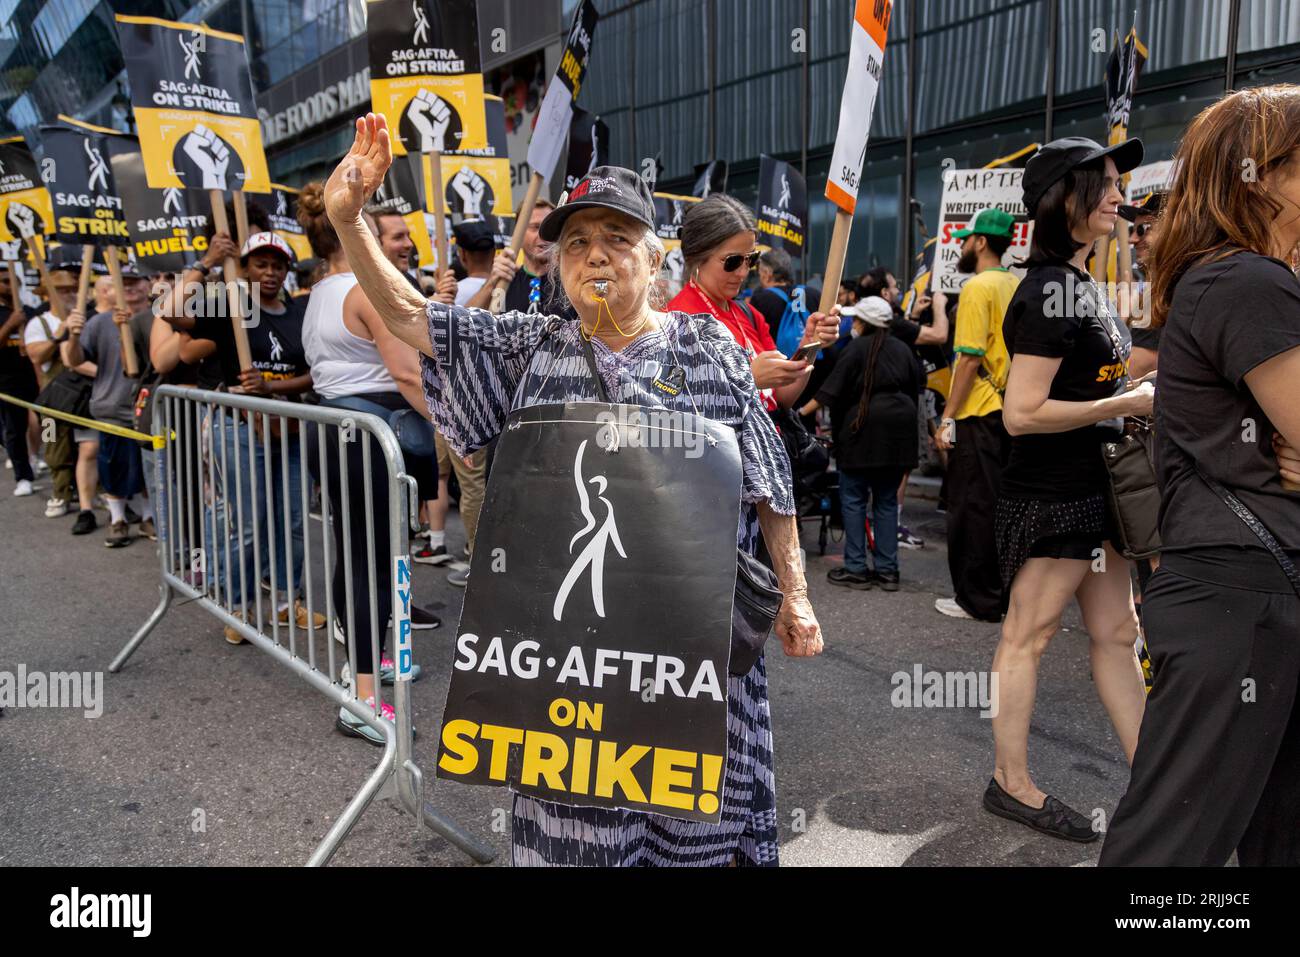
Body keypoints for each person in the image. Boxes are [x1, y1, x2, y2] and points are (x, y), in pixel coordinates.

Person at [324, 114, 825, 865]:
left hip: (686, 667)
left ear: (655, 261)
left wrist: (796, 594)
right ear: (557, 264)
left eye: (616, 240)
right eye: (577, 243)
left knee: (693, 836)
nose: (595, 257)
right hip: (570, 677)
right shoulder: (528, 346)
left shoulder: (705, 346)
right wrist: (348, 218)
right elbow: (407, 315)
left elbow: (766, 477)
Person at [1101, 86, 1300, 866]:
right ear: (1261, 175)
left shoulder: (1243, 279)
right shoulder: (1246, 281)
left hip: (1251, 587)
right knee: (1173, 851)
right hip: (1241, 592)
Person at [983, 136, 1154, 842]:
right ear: (1066, 199)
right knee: (1029, 634)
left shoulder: (1079, 283)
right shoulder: (1051, 288)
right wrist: (1122, 404)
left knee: (1119, 632)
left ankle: (1156, 779)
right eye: (1106, 184)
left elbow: (1092, 376)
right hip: (1053, 496)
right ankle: (1010, 783)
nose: (1120, 196)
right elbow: (1021, 412)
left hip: (1097, 493)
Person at [298, 179, 448, 745]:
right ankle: (362, 699)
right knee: (374, 562)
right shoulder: (364, 290)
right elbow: (408, 374)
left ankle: (366, 669)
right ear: (356, 234)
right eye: (393, 236)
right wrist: (453, 427)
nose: (404, 246)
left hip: (338, 433)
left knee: (357, 555)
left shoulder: (319, 291)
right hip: (371, 438)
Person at [161, 231, 323, 640]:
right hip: (236, 424)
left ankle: (288, 602)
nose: (270, 273)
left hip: (285, 423)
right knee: (247, 523)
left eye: (278, 265)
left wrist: (273, 389)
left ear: (287, 270)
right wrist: (207, 261)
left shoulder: (299, 311)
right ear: (246, 267)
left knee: (292, 520)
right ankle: (238, 609)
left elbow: (313, 372)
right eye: (260, 264)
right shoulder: (230, 306)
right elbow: (170, 309)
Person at [666, 194, 837, 415]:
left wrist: (810, 344)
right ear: (697, 255)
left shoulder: (749, 314)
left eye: (751, 259)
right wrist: (749, 379)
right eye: (733, 261)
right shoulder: (673, 321)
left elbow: (780, 400)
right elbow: (672, 408)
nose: (743, 272)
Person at [933, 208, 1018, 622]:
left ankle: (977, 599)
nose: (963, 246)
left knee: (971, 509)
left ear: (981, 242)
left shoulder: (977, 287)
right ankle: (998, 594)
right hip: (1010, 410)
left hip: (978, 410)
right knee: (999, 507)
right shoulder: (1016, 284)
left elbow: (968, 358)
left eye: (967, 239)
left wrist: (948, 416)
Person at [801, 296, 920, 590]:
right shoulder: (902, 349)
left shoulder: (855, 349)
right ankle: (888, 571)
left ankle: (855, 567)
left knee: (853, 500)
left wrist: (798, 412)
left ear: (861, 322)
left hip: (861, 432)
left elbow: (830, 392)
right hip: (899, 434)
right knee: (886, 500)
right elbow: (917, 386)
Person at [61, 263, 156, 546]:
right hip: (112, 407)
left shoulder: (161, 318)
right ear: (111, 289)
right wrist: (73, 336)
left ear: (148, 285)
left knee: (148, 467)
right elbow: (75, 360)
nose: (129, 287)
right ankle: (117, 520)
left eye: (135, 281)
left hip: (150, 409)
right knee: (112, 465)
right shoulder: (98, 323)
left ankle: (148, 517)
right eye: (122, 282)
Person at [23, 258, 80, 516]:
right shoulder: (39, 323)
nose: (69, 294)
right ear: (49, 294)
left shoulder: (82, 318)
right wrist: (60, 335)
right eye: (62, 290)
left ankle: (91, 490)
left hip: (80, 392)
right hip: (52, 397)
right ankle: (60, 492)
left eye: (72, 289)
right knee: (53, 443)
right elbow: (36, 356)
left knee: (86, 444)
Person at [465, 198, 559, 313]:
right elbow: (466, 322)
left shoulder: (569, 283)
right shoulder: (504, 283)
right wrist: (491, 283)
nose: (544, 235)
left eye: (550, 227)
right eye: (535, 227)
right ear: (518, 232)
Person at [1117, 191, 1162, 379]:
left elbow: (1134, 368)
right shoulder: (1155, 288)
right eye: (1132, 231)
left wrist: (1118, 322)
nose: (1132, 239)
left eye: (1142, 229)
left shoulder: (1166, 291)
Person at [0, 273, 37, 497]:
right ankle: (23, 475)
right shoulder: (7, 315)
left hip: (33, 376)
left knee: (47, 421)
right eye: (4, 281)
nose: (8, 286)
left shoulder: (29, 313)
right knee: (14, 428)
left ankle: (48, 456)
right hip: (7, 380)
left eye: (12, 281)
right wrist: (10, 325)